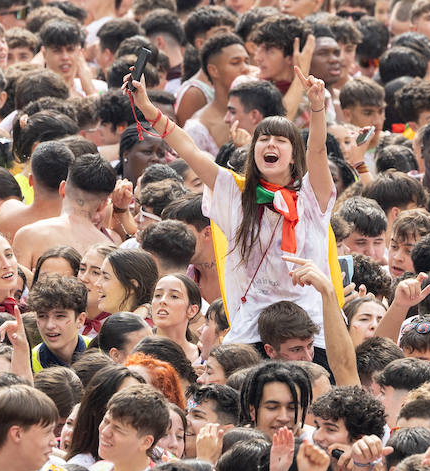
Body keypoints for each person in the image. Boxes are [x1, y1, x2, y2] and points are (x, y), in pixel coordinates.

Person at [124, 67, 338, 355]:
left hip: (311, 333)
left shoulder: (312, 197)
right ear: (253, 150)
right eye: (263, 139)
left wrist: (317, 107)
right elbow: (189, 150)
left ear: (294, 155)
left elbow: (318, 150)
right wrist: (148, 108)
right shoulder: (234, 192)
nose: (270, 144)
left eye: (281, 140)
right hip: (252, 330)